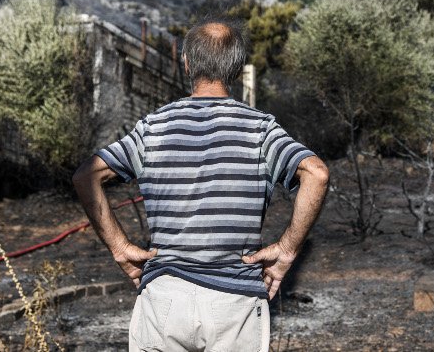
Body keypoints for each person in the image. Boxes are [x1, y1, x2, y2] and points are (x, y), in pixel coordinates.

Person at [72, 18, 330, 352]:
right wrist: (288, 249)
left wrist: (119, 247)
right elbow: (316, 174)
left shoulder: (154, 128)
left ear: (187, 62)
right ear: (236, 69)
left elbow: (86, 175)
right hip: (234, 303)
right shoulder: (260, 130)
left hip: (164, 298)